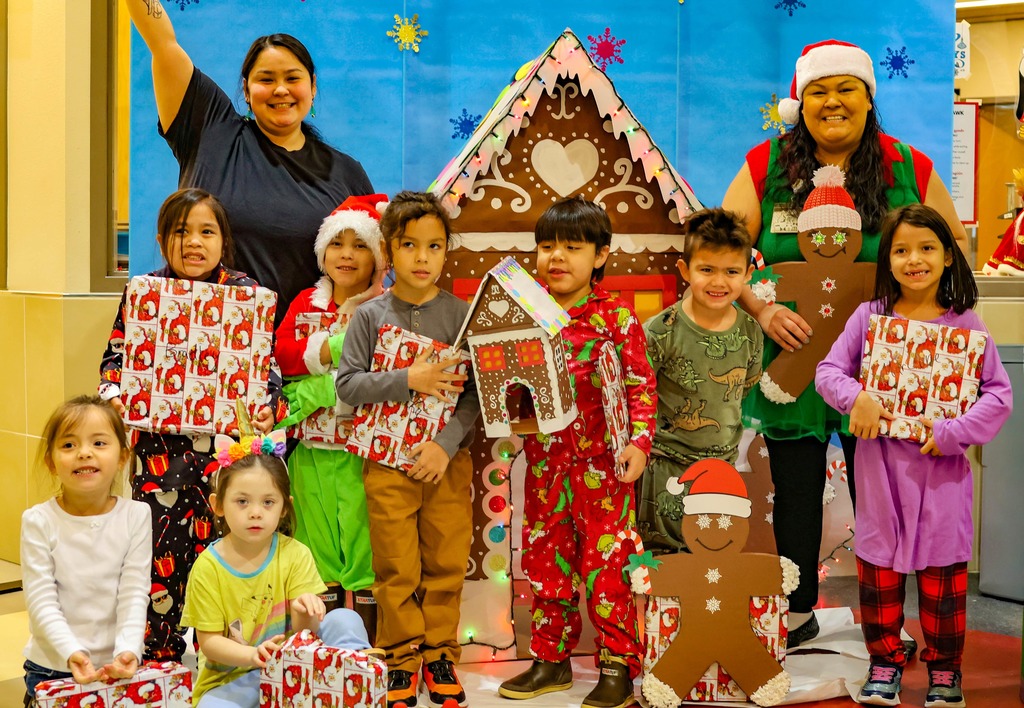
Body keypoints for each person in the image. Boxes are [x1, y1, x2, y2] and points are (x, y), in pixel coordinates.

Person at [721, 38, 968, 648]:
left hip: (886, 367)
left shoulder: (907, 166)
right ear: (799, 102)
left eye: (846, 88)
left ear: (868, 97)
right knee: (797, 489)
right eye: (818, 91)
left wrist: (927, 330)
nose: (832, 102)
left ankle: (888, 620)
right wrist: (761, 305)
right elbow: (722, 251)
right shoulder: (765, 165)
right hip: (795, 357)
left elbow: (954, 247)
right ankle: (798, 610)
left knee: (884, 496)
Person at [816, 203, 1012, 707]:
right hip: (880, 474)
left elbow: (998, 394)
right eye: (901, 250)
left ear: (948, 256)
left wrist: (953, 432)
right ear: (888, 261)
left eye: (926, 248)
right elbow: (828, 372)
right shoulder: (870, 317)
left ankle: (945, 672)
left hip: (941, 477)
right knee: (879, 573)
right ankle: (884, 663)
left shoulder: (968, 324)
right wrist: (855, 398)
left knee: (943, 580)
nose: (914, 259)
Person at [98, 188, 279, 661]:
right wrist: (119, 399)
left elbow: (267, 372)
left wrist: (267, 408)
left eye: (206, 231)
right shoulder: (144, 293)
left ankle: (225, 654)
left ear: (224, 241)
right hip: (162, 457)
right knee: (158, 553)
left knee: (229, 551)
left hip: (227, 458)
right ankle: (158, 654)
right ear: (161, 241)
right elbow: (115, 363)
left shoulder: (246, 295)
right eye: (181, 232)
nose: (193, 242)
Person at [497, 197, 657, 708]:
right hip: (544, 469)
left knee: (609, 568)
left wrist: (639, 442)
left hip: (606, 472)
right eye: (545, 247)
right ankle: (550, 661)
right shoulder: (524, 313)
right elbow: (505, 381)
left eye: (572, 246)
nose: (556, 257)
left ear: (601, 255)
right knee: (547, 565)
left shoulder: (616, 317)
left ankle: (616, 666)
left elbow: (641, 386)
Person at [125, 0, 374, 324]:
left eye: (292, 78)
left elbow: (372, 276)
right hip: (201, 349)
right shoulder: (209, 127)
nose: (280, 89)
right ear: (246, 89)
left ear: (312, 87)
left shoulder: (345, 173)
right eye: (266, 79)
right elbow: (163, 44)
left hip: (303, 363)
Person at [335, 191, 479, 708]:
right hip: (386, 465)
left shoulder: (463, 315)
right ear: (389, 251)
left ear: (446, 252)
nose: (422, 257)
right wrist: (408, 378)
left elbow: (477, 398)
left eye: (434, 246)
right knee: (396, 566)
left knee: (445, 561)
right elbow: (348, 384)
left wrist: (444, 447)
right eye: (409, 245)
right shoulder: (370, 316)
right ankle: (400, 657)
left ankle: (440, 653)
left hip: (446, 465)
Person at [181, 431, 372, 706]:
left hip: (294, 672)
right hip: (235, 679)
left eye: (268, 502)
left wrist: (303, 611)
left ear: (285, 507)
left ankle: (355, 682)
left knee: (345, 618)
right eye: (242, 501)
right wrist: (253, 656)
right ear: (218, 505)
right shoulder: (208, 567)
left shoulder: (295, 553)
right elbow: (210, 644)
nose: (256, 512)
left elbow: (307, 635)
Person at [273, 194, 388, 641]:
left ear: (378, 256)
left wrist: (320, 382)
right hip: (311, 449)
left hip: (363, 451)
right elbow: (281, 359)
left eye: (359, 245)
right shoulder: (305, 301)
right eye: (337, 243)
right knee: (315, 542)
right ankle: (317, 645)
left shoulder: (385, 308)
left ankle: (366, 645)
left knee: (363, 545)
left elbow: (382, 376)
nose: (346, 254)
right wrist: (326, 369)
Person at [638, 208, 763, 554]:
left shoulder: (752, 332)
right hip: (666, 467)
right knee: (663, 562)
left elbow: (746, 384)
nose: (719, 282)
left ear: (748, 274)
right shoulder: (660, 332)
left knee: (713, 556)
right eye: (706, 270)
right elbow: (639, 395)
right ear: (685, 270)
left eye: (731, 272)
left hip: (721, 471)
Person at [21, 396, 151, 707]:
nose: (84, 453)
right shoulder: (39, 521)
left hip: (118, 667)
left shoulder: (136, 515)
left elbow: (134, 594)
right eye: (68, 445)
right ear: (51, 461)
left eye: (99, 442)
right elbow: (41, 602)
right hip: (52, 667)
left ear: (122, 457)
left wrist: (129, 649)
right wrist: (71, 652)